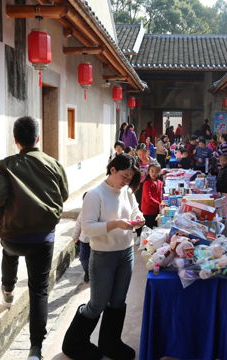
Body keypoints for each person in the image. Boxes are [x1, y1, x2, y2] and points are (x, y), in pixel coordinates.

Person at [0, 116, 69, 360]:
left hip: (13, 238)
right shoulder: (53, 163)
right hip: (43, 238)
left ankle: (8, 289)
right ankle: (35, 349)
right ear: (38, 138)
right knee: (39, 290)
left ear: (16, 140)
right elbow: (63, 194)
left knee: (8, 251)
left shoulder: (4, 166)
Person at [61, 154, 144, 360]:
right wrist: (116, 224)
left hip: (126, 253)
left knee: (118, 301)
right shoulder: (95, 194)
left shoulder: (127, 192)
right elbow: (88, 228)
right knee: (97, 304)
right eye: (124, 176)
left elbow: (135, 211)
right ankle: (74, 344)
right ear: (112, 169)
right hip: (103, 256)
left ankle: (110, 343)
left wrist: (139, 218)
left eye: (130, 178)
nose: (126, 181)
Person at [72, 193, 91, 283]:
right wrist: (75, 236)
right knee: (83, 258)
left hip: (97, 241)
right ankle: (87, 271)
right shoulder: (83, 211)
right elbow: (78, 224)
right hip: (84, 240)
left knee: (95, 259)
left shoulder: (101, 211)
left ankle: (92, 272)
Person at [141, 161, 163, 228]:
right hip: (148, 211)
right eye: (152, 171)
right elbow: (148, 199)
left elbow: (160, 196)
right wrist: (159, 205)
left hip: (157, 210)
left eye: (156, 171)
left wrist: (161, 205)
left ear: (159, 172)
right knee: (148, 229)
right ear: (148, 171)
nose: (154, 173)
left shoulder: (159, 182)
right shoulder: (146, 183)